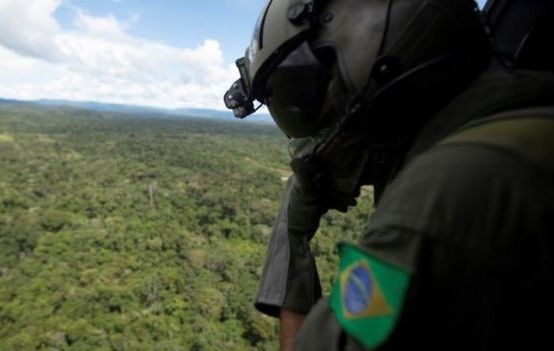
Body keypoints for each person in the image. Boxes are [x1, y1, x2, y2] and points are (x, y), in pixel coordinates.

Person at [224, 0, 554, 349]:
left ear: (371, 44)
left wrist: (292, 231)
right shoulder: (523, 116)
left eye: (303, 97)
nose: (312, 132)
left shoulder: (447, 190)